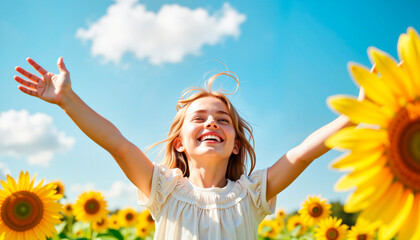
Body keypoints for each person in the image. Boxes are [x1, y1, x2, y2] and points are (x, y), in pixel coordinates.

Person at [14, 57, 359, 240]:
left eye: (223, 120)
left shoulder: (253, 193)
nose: (211, 123)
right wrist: (68, 101)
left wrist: (354, 115)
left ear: (236, 145)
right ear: (180, 142)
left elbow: (302, 153)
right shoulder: (163, 188)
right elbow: (117, 144)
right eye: (200, 118)